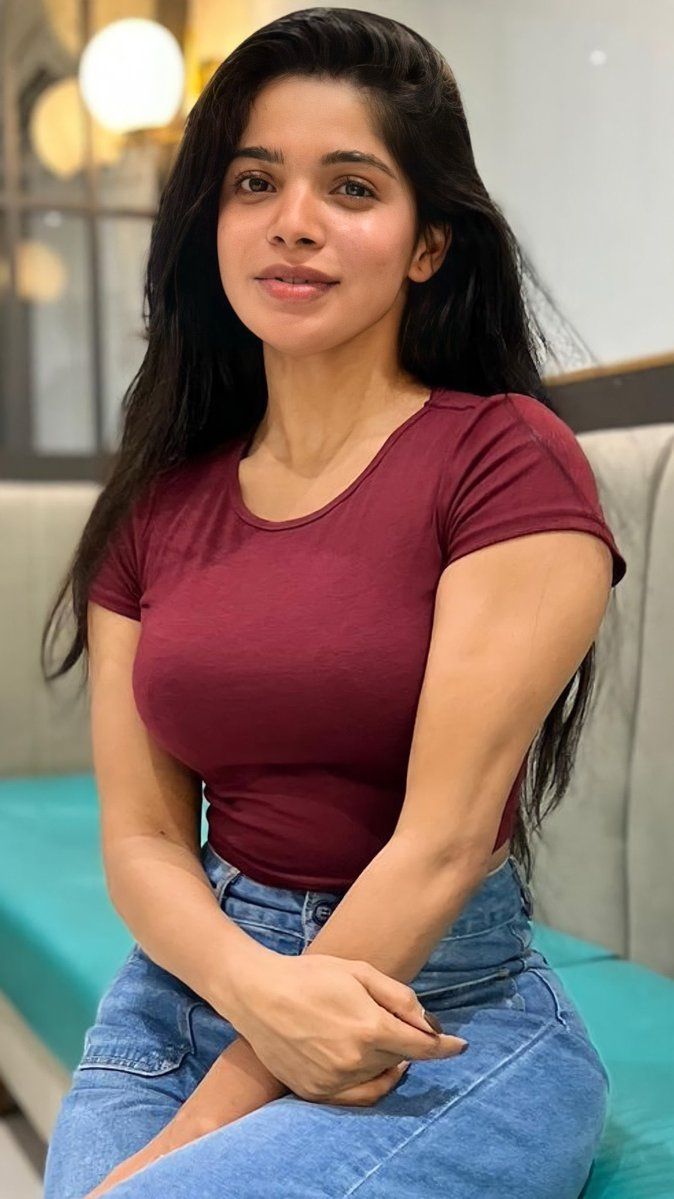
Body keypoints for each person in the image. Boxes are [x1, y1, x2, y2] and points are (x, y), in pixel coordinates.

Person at [41, 7, 627, 1197]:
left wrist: (172, 1152)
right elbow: (146, 836)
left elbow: (444, 841)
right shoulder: (157, 500)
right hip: (189, 984)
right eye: (255, 180)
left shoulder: (506, 460)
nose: (293, 223)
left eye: (350, 187)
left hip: (438, 1010)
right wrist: (250, 984)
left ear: (425, 244)